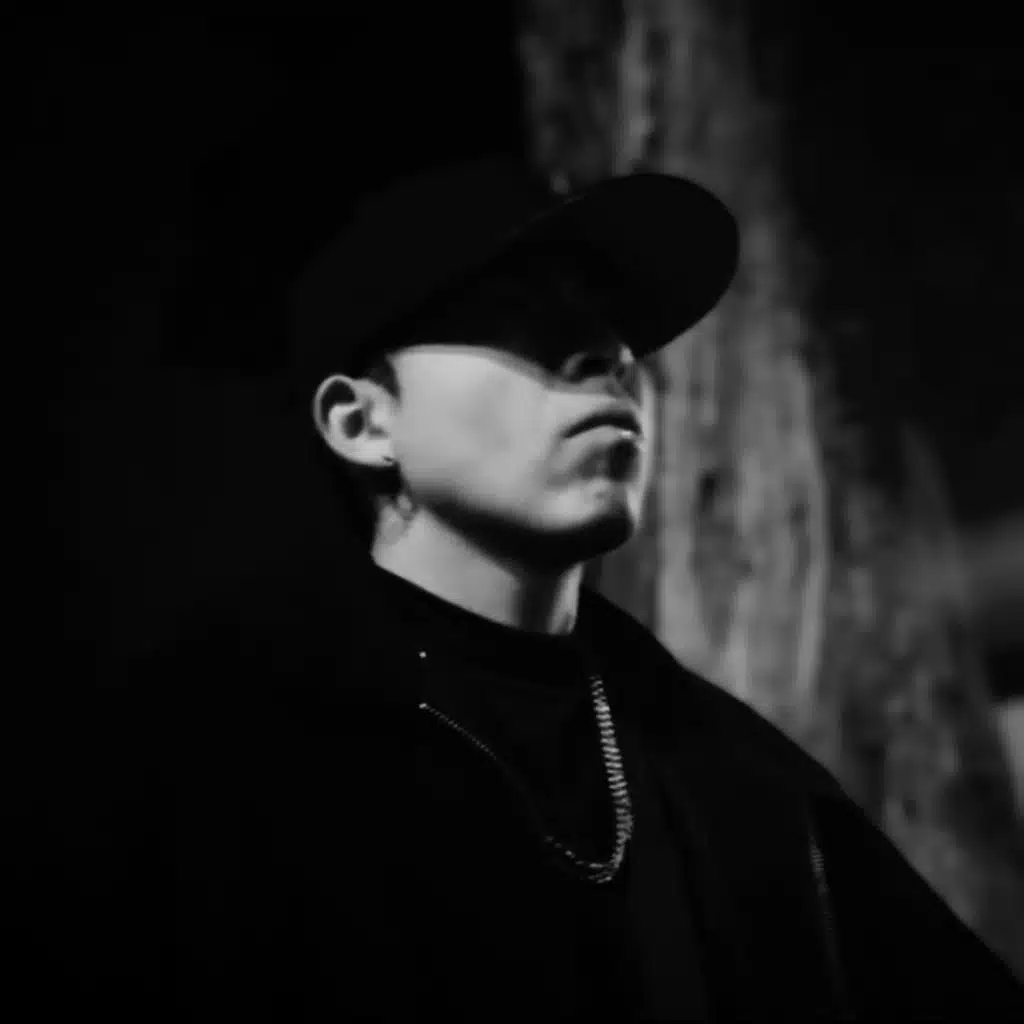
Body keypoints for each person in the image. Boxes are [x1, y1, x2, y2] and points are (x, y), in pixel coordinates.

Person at [20, 157, 1024, 1020]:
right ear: (361, 424)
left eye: (616, 338)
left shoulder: (742, 782)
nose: (607, 359)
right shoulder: (204, 760)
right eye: (519, 318)